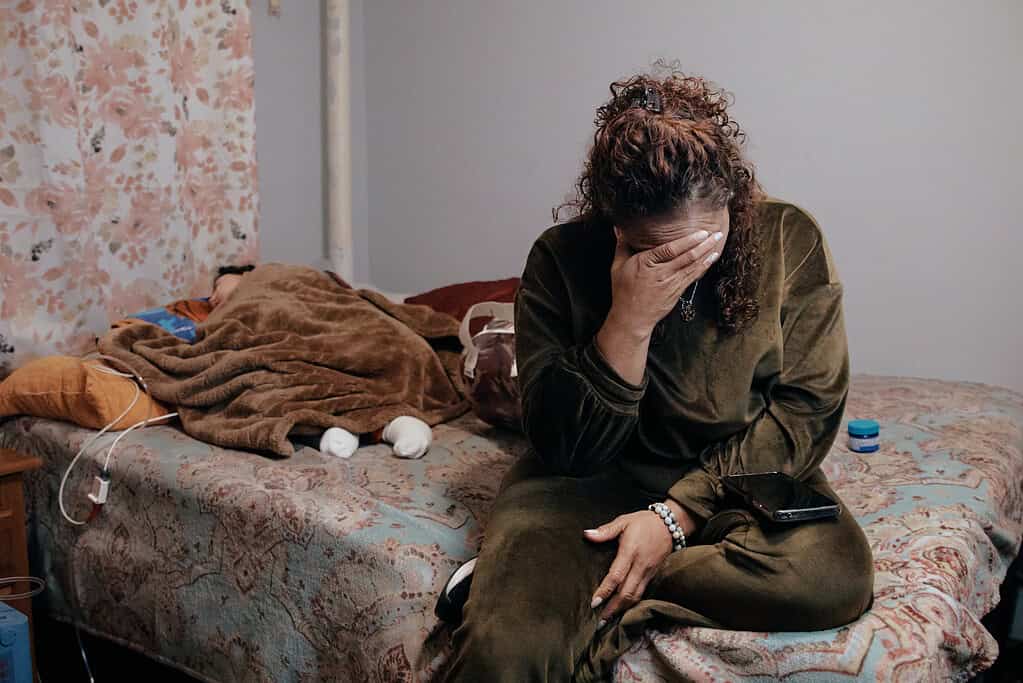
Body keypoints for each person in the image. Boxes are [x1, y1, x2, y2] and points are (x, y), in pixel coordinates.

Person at [440, 68, 874, 682]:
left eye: (704, 246)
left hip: (740, 477)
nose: (687, 269)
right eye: (660, 252)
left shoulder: (788, 238)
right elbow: (563, 448)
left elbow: (806, 409)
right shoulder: (559, 257)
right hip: (588, 483)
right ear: (616, 226)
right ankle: (546, 582)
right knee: (505, 652)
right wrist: (630, 320)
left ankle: (595, 584)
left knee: (831, 574)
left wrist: (672, 519)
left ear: (732, 199)